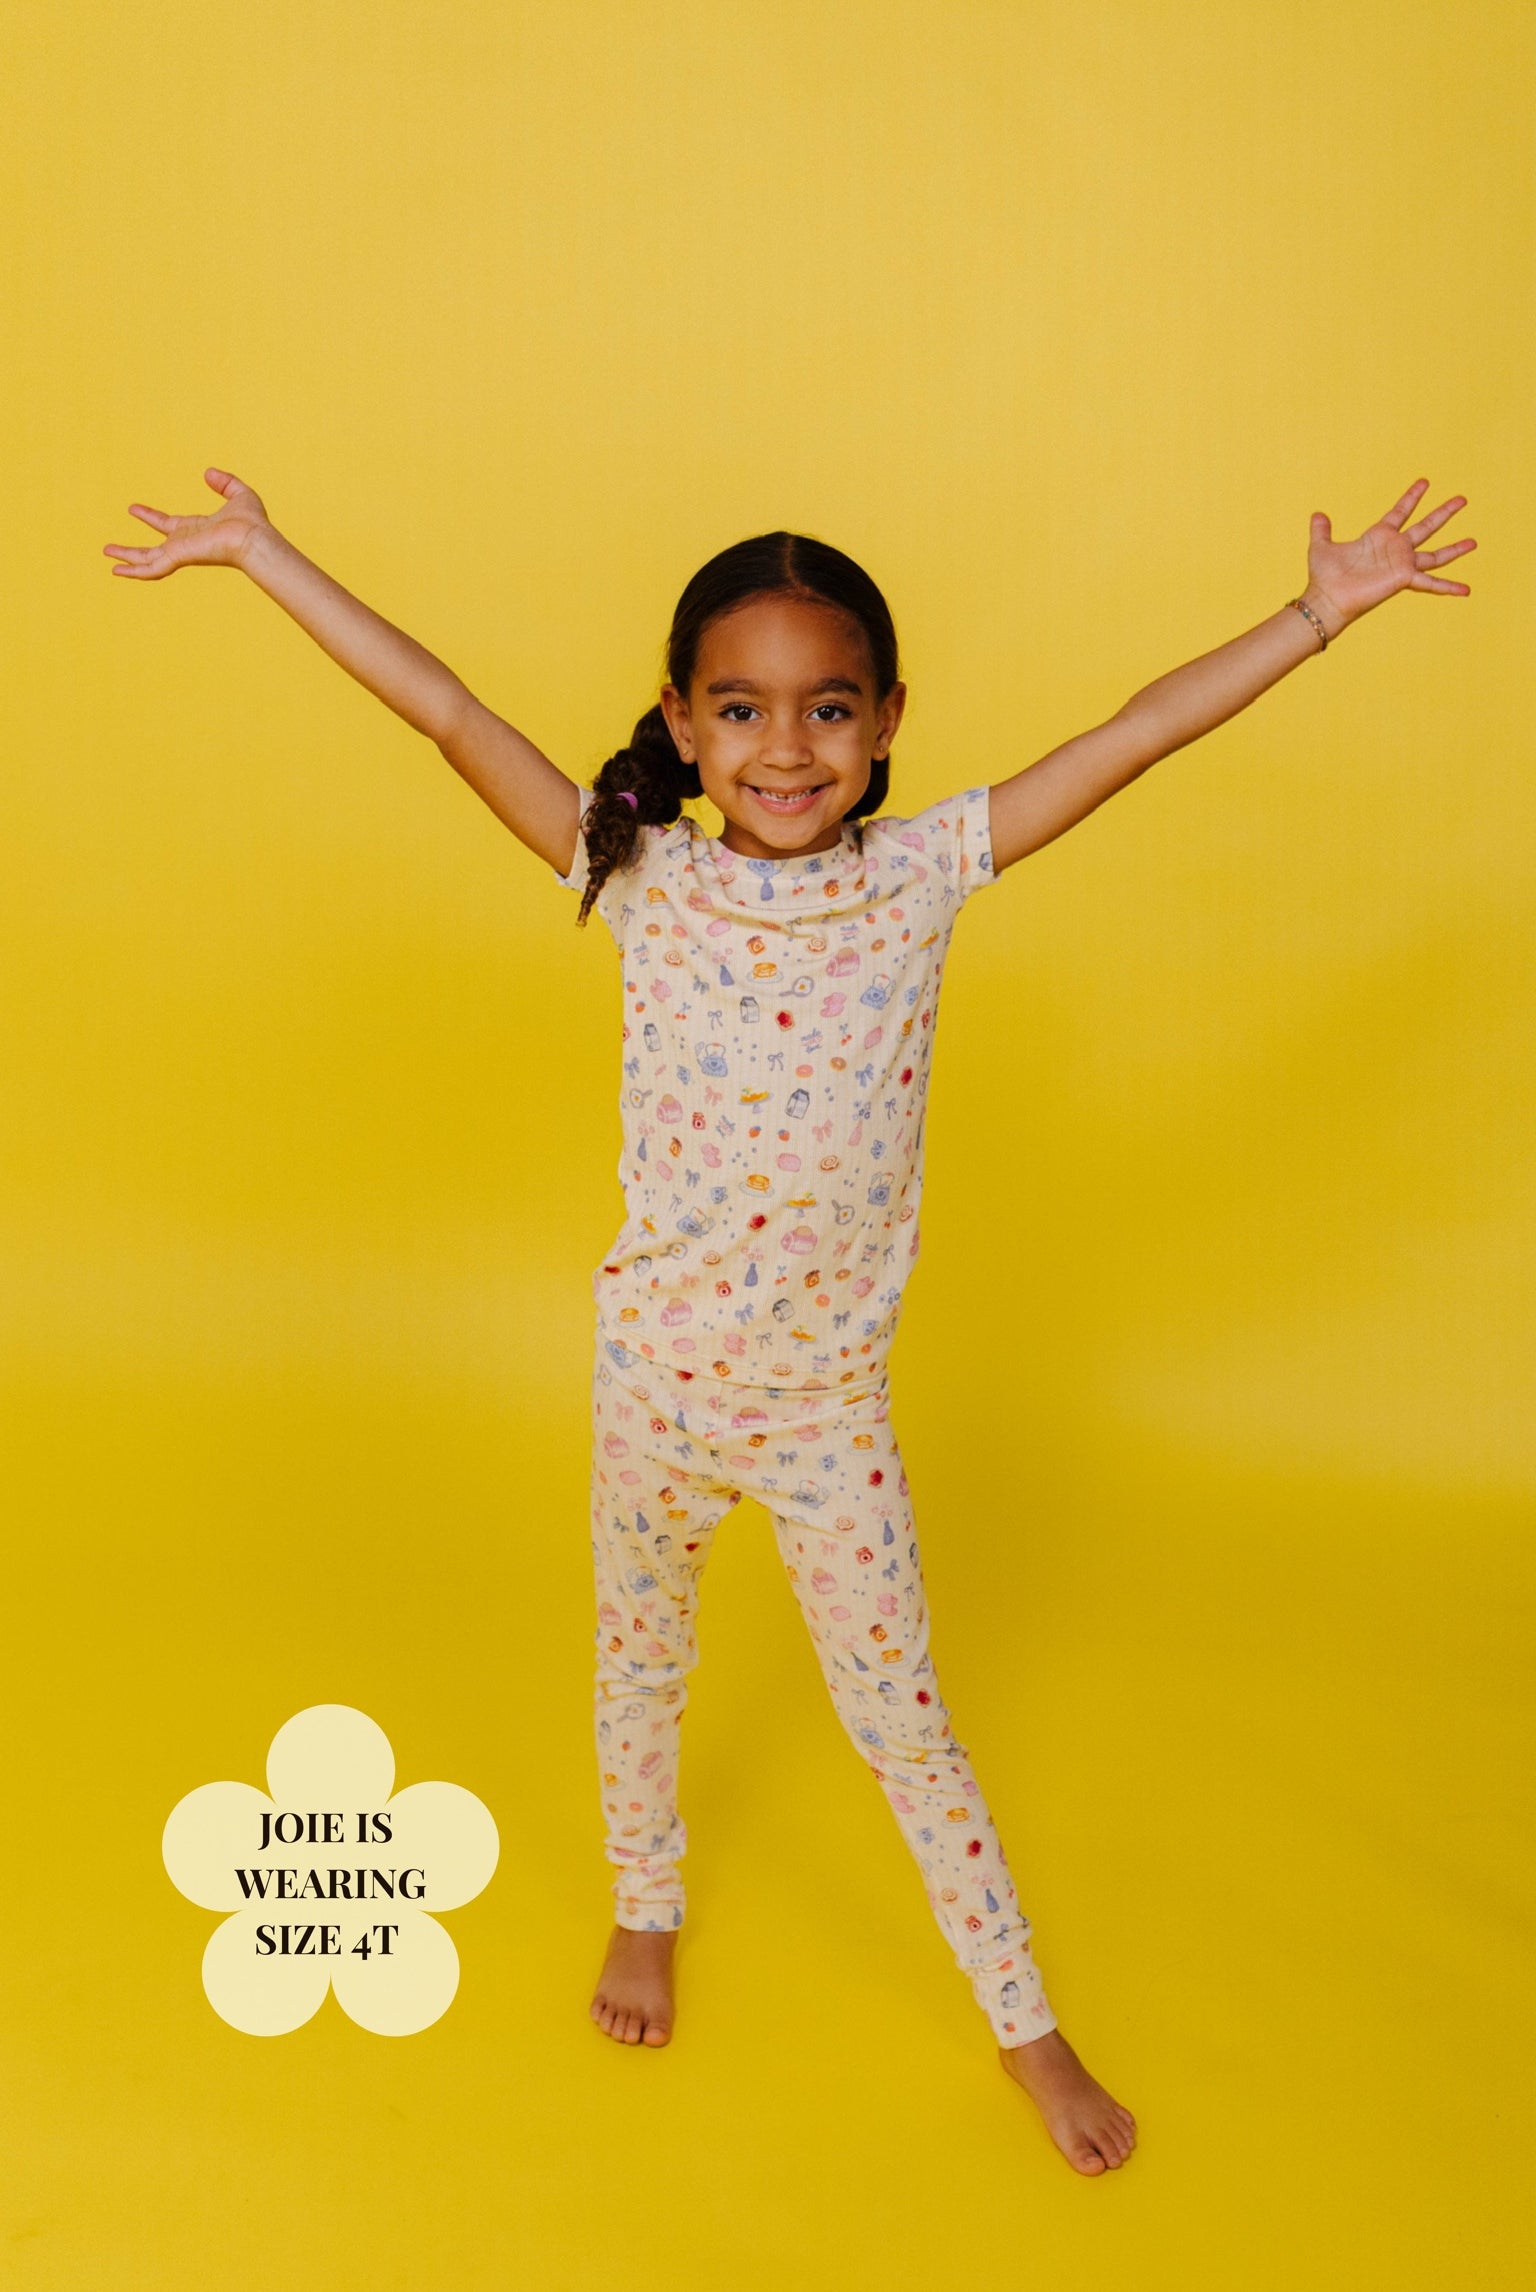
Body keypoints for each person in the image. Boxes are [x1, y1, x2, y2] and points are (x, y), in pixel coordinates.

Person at [105, 471, 1473, 2174]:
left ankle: (1025, 2023)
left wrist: (1320, 613)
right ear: (681, 721)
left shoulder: (921, 876)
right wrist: (261, 556)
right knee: (639, 1677)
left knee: (911, 1729)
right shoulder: (639, 879)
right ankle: (647, 1903)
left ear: (890, 720)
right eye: (740, 709)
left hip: (828, 1420)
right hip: (655, 1394)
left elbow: (1131, 738)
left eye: (829, 708)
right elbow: (448, 710)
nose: (786, 749)